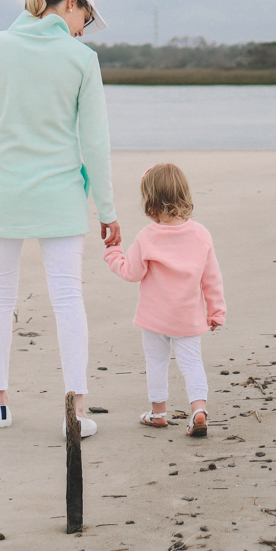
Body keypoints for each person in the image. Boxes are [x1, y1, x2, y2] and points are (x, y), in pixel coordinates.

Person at [0, 0, 118, 438]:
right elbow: (95, 143)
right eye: (85, 18)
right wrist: (107, 210)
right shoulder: (81, 60)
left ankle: (1, 405)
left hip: (1, 191)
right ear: (71, 3)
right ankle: (76, 409)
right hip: (60, 194)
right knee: (68, 298)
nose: (83, 29)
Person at [103, 162, 226, 438]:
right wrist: (216, 311)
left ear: (150, 203)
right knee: (192, 362)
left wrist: (112, 252)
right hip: (188, 317)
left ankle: (158, 413)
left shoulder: (147, 237)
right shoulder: (200, 235)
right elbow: (212, 278)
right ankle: (198, 410)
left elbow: (131, 272)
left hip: (155, 317)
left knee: (156, 361)